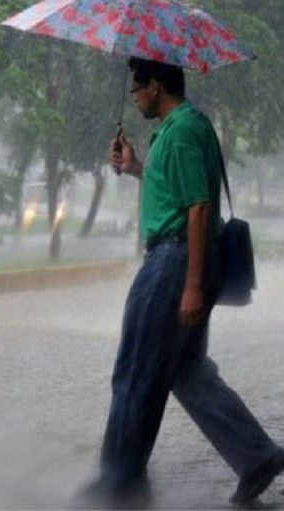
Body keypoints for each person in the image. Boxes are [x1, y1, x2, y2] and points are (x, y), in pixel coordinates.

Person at [79, 58, 284, 508]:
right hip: (179, 258)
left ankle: (120, 483)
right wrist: (135, 167)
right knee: (187, 372)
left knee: (135, 371)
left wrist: (191, 284)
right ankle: (256, 457)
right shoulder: (175, 130)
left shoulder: (186, 129)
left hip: (174, 261)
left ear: (155, 87)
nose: (134, 99)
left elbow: (197, 208)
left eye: (137, 89)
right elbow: (174, 188)